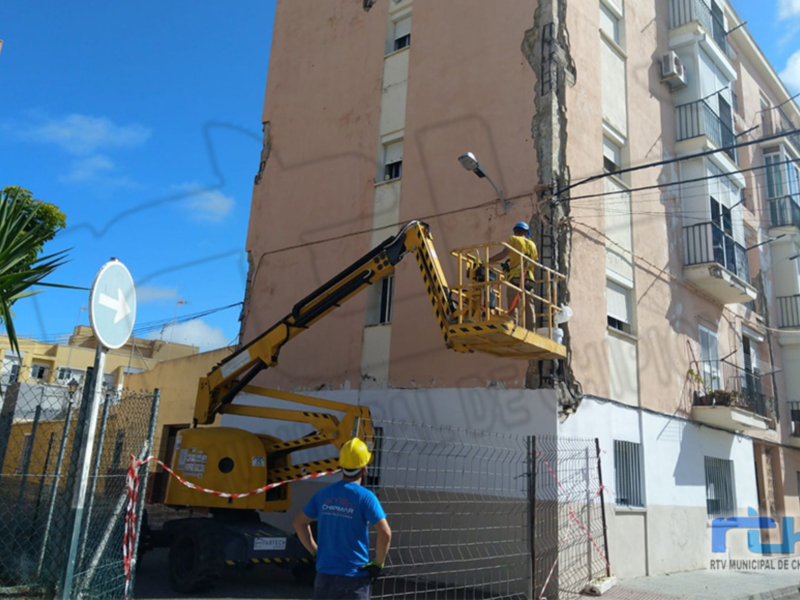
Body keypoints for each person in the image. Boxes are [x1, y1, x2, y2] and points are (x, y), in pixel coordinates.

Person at [293, 438, 392, 600]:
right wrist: (378, 564)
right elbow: (385, 533)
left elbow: (299, 523)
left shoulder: (323, 494)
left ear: (342, 467)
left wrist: (315, 551)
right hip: (354, 578)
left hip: (324, 577)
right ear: (364, 469)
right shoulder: (365, 497)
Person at [488, 221, 538, 330]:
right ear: (526, 232)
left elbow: (503, 254)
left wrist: (487, 261)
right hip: (529, 278)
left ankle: (513, 326)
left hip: (516, 277)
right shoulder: (533, 245)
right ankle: (531, 329)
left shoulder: (513, 239)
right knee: (529, 304)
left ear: (515, 232)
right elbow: (532, 260)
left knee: (513, 302)